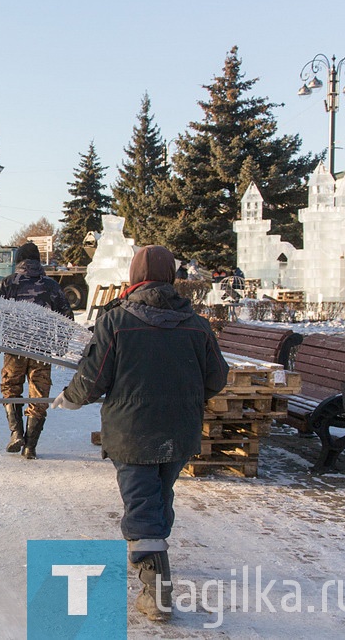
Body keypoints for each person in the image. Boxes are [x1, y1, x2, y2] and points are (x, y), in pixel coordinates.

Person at [49, 245, 228, 622]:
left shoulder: (117, 321)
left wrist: (69, 398)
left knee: (143, 506)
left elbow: (94, 377)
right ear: (172, 276)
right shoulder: (196, 323)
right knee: (159, 496)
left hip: (132, 432)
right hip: (179, 432)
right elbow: (217, 377)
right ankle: (156, 560)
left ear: (133, 276)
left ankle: (156, 592)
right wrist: (185, 398)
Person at [0, 241, 74, 459]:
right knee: (38, 394)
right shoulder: (51, 286)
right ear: (38, 260)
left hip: (14, 348)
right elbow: (67, 317)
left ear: (19, 260)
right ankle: (31, 446)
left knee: (11, 388)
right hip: (42, 351)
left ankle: (16, 432)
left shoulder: (8, 284)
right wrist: (61, 345)